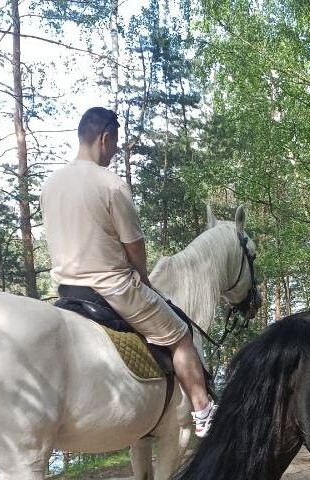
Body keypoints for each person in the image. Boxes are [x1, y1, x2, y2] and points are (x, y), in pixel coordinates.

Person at [41, 107, 216, 437]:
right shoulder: (110, 184)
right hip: (113, 288)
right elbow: (134, 246)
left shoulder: (51, 184)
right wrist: (145, 279)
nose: (115, 151)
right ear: (104, 138)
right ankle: (203, 409)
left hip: (67, 290)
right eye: (115, 143)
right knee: (180, 335)